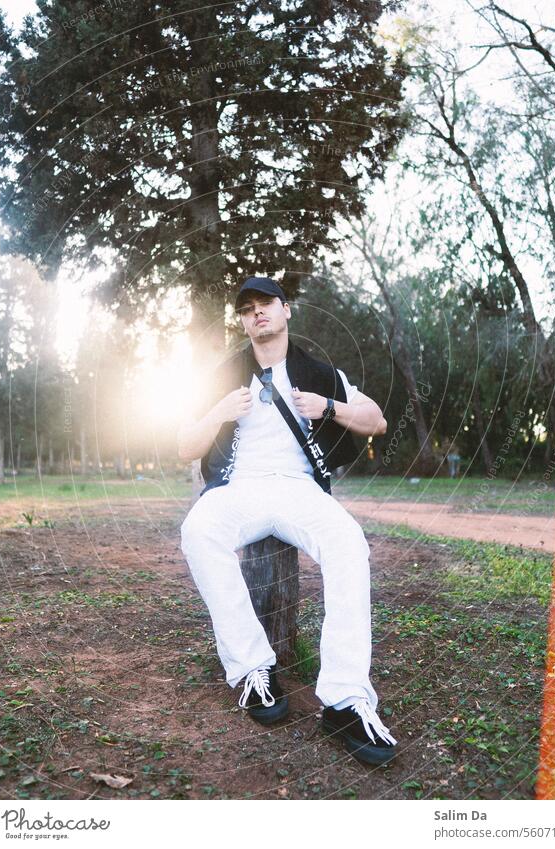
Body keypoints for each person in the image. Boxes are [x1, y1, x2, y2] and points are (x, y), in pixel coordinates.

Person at [178, 276, 398, 765]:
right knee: (197, 531)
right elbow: (184, 446)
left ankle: (343, 701)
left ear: (285, 311)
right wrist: (216, 411)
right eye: (247, 308)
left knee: (348, 543)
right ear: (242, 320)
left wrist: (331, 407)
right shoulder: (221, 374)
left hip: (299, 488)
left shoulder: (319, 372)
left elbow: (376, 420)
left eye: (266, 305)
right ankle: (254, 670)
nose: (257, 313)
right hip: (239, 487)